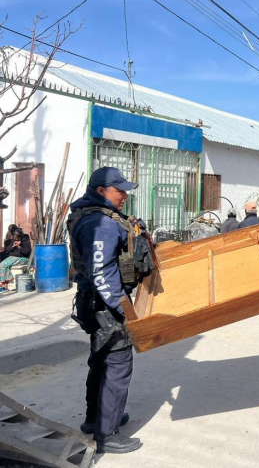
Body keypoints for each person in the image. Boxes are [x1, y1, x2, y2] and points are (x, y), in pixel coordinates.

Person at [67, 167, 145, 454]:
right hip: (105, 304)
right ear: (101, 191)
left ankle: (96, 420)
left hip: (96, 301)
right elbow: (101, 271)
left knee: (101, 361)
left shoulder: (99, 215)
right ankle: (106, 434)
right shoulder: (99, 223)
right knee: (117, 364)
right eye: (119, 190)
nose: (125, 195)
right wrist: (123, 309)